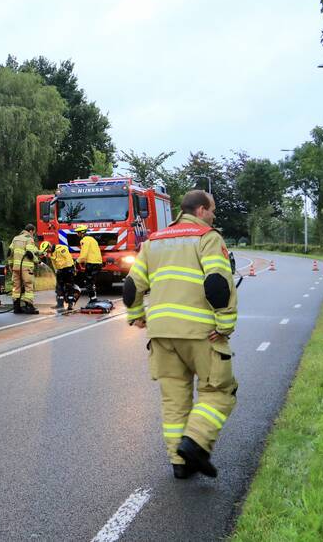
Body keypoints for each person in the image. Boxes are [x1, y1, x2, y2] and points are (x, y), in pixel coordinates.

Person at [123, 190, 238, 479]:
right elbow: (217, 283)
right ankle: (196, 442)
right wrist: (224, 324)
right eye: (211, 210)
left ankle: (179, 463)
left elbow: (131, 284)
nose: (213, 215)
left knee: (174, 399)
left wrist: (136, 315)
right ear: (201, 210)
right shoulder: (207, 238)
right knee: (220, 390)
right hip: (201, 332)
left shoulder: (154, 240)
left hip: (161, 333)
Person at [9, 224, 40, 314]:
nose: (33, 234)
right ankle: (29, 307)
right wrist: (37, 261)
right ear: (31, 231)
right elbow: (30, 253)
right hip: (26, 268)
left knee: (16, 287)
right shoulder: (29, 239)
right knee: (28, 286)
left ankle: (16, 308)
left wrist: (11, 265)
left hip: (16, 267)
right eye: (33, 232)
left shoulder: (15, 238)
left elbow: (10, 252)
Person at [41, 240, 77, 310]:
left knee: (69, 286)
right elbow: (54, 263)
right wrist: (56, 271)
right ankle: (60, 304)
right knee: (59, 287)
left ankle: (70, 304)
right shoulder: (51, 253)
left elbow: (68, 258)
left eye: (47, 250)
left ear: (50, 247)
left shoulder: (61, 248)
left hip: (68, 269)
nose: (47, 252)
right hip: (60, 270)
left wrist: (71, 270)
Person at [76, 225, 103, 299]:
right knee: (92, 282)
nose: (77, 234)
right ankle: (94, 298)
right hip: (98, 263)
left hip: (92, 263)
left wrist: (77, 261)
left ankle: (93, 300)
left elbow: (84, 255)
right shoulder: (92, 239)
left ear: (82, 232)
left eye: (78, 233)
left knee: (88, 283)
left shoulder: (84, 240)